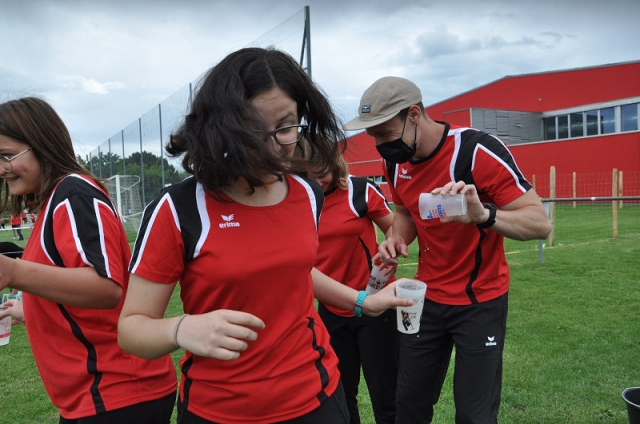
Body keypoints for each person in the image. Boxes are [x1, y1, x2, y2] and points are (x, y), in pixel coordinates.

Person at [117, 47, 412, 424]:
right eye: (252, 130)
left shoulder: (307, 193)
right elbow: (131, 329)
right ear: (220, 128)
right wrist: (181, 328)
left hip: (317, 398)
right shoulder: (178, 208)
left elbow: (296, 271)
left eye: (286, 126)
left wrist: (362, 302)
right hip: (218, 410)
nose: (273, 146)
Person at [344, 76, 553, 424]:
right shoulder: (394, 162)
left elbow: (540, 223)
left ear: (414, 115)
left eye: (385, 133)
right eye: (373, 136)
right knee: (408, 406)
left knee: (473, 415)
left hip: (480, 300)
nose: (379, 145)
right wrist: (397, 238)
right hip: (424, 299)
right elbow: (405, 212)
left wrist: (483, 215)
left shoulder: (477, 150)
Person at [0, 97, 177, 424]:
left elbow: (105, 287)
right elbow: (72, 285)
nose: (0, 169)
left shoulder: (74, 194)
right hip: (98, 397)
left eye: (6, 156)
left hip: (119, 391)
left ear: (41, 144)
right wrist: (32, 310)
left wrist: (12, 270)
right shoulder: (56, 201)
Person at [309, 153, 400, 424]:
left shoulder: (359, 190)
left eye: (322, 174)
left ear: (334, 165)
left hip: (377, 306)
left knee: (386, 395)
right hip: (331, 310)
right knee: (340, 394)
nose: (316, 182)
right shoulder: (297, 200)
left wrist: (391, 246)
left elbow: (394, 226)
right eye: (307, 175)